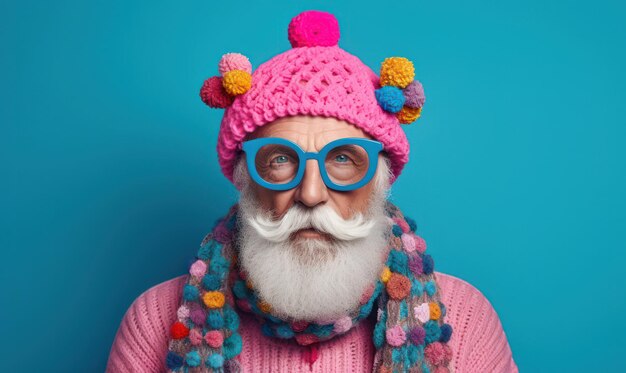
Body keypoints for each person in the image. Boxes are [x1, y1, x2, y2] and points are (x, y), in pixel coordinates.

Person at [106, 10, 517, 373]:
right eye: (280, 159)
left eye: (343, 159)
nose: (311, 193)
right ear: (245, 179)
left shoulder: (465, 319)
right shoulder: (155, 319)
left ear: (381, 179)